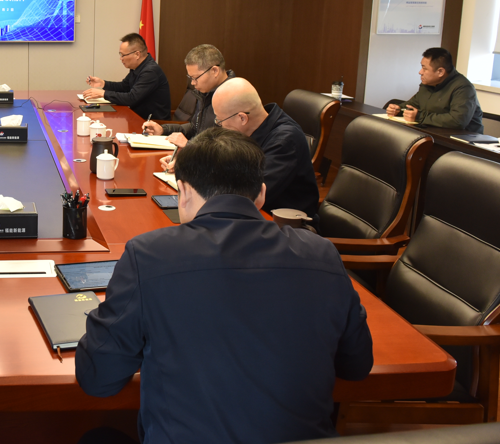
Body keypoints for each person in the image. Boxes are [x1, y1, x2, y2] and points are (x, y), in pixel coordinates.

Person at [76, 127, 373, 444]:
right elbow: (357, 365)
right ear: (261, 194)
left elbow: (98, 379)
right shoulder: (322, 253)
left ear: (183, 191)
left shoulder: (148, 254)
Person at [206, 77, 320, 216]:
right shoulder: (250, 129)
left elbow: (249, 194)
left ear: (242, 118)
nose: (220, 126)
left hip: (286, 223)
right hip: (256, 214)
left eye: (220, 120)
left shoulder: (285, 141)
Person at [142, 44, 233, 148]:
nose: (193, 83)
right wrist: (164, 130)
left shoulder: (234, 97)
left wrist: (188, 145)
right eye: (190, 78)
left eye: (195, 78)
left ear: (214, 71)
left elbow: (227, 149)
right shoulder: (205, 92)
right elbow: (195, 128)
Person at [386, 47, 484, 133]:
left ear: (440, 72)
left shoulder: (463, 88)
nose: (420, 72)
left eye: (425, 69)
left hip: (462, 141)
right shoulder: (428, 84)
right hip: (432, 133)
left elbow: (458, 121)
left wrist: (420, 116)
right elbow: (413, 104)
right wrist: (398, 109)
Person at [83, 33, 171, 120]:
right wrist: (103, 83)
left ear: (137, 54)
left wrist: (103, 94)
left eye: (123, 55)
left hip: (153, 123)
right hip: (137, 118)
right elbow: (124, 87)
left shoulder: (150, 71)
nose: (121, 58)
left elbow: (132, 98)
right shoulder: (137, 67)